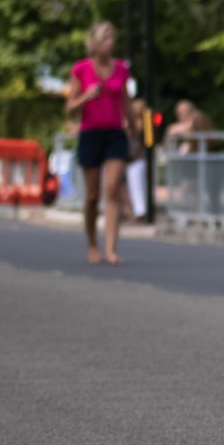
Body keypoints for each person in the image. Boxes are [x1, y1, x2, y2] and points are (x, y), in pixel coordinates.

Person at [65, 21, 137, 265]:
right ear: (94, 43)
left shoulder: (121, 69)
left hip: (115, 134)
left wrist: (136, 131)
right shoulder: (81, 70)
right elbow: (69, 109)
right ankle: (92, 245)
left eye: (112, 38)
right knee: (93, 195)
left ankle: (111, 249)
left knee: (112, 188)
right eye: (105, 38)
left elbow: (127, 103)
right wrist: (86, 96)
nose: (110, 42)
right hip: (90, 135)